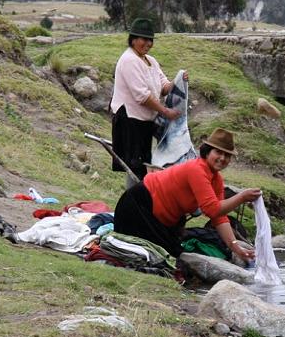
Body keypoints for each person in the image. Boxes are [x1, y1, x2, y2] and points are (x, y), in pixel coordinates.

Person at [113, 128, 260, 263]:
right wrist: (242, 197)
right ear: (208, 152)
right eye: (218, 152)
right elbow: (212, 209)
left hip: (163, 219)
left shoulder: (216, 179)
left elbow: (219, 217)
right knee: (157, 257)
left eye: (227, 155)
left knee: (171, 254)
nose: (222, 158)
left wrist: (235, 246)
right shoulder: (197, 169)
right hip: (139, 207)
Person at [109, 18, 183, 181]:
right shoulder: (129, 60)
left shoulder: (151, 61)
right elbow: (141, 96)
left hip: (145, 121)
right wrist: (165, 111)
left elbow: (163, 86)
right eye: (144, 39)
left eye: (150, 40)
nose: (148, 43)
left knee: (143, 166)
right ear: (133, 40)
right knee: (135, 167)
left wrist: (179, 81)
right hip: (130, 120)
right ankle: (134, 203)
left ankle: (138, 202)